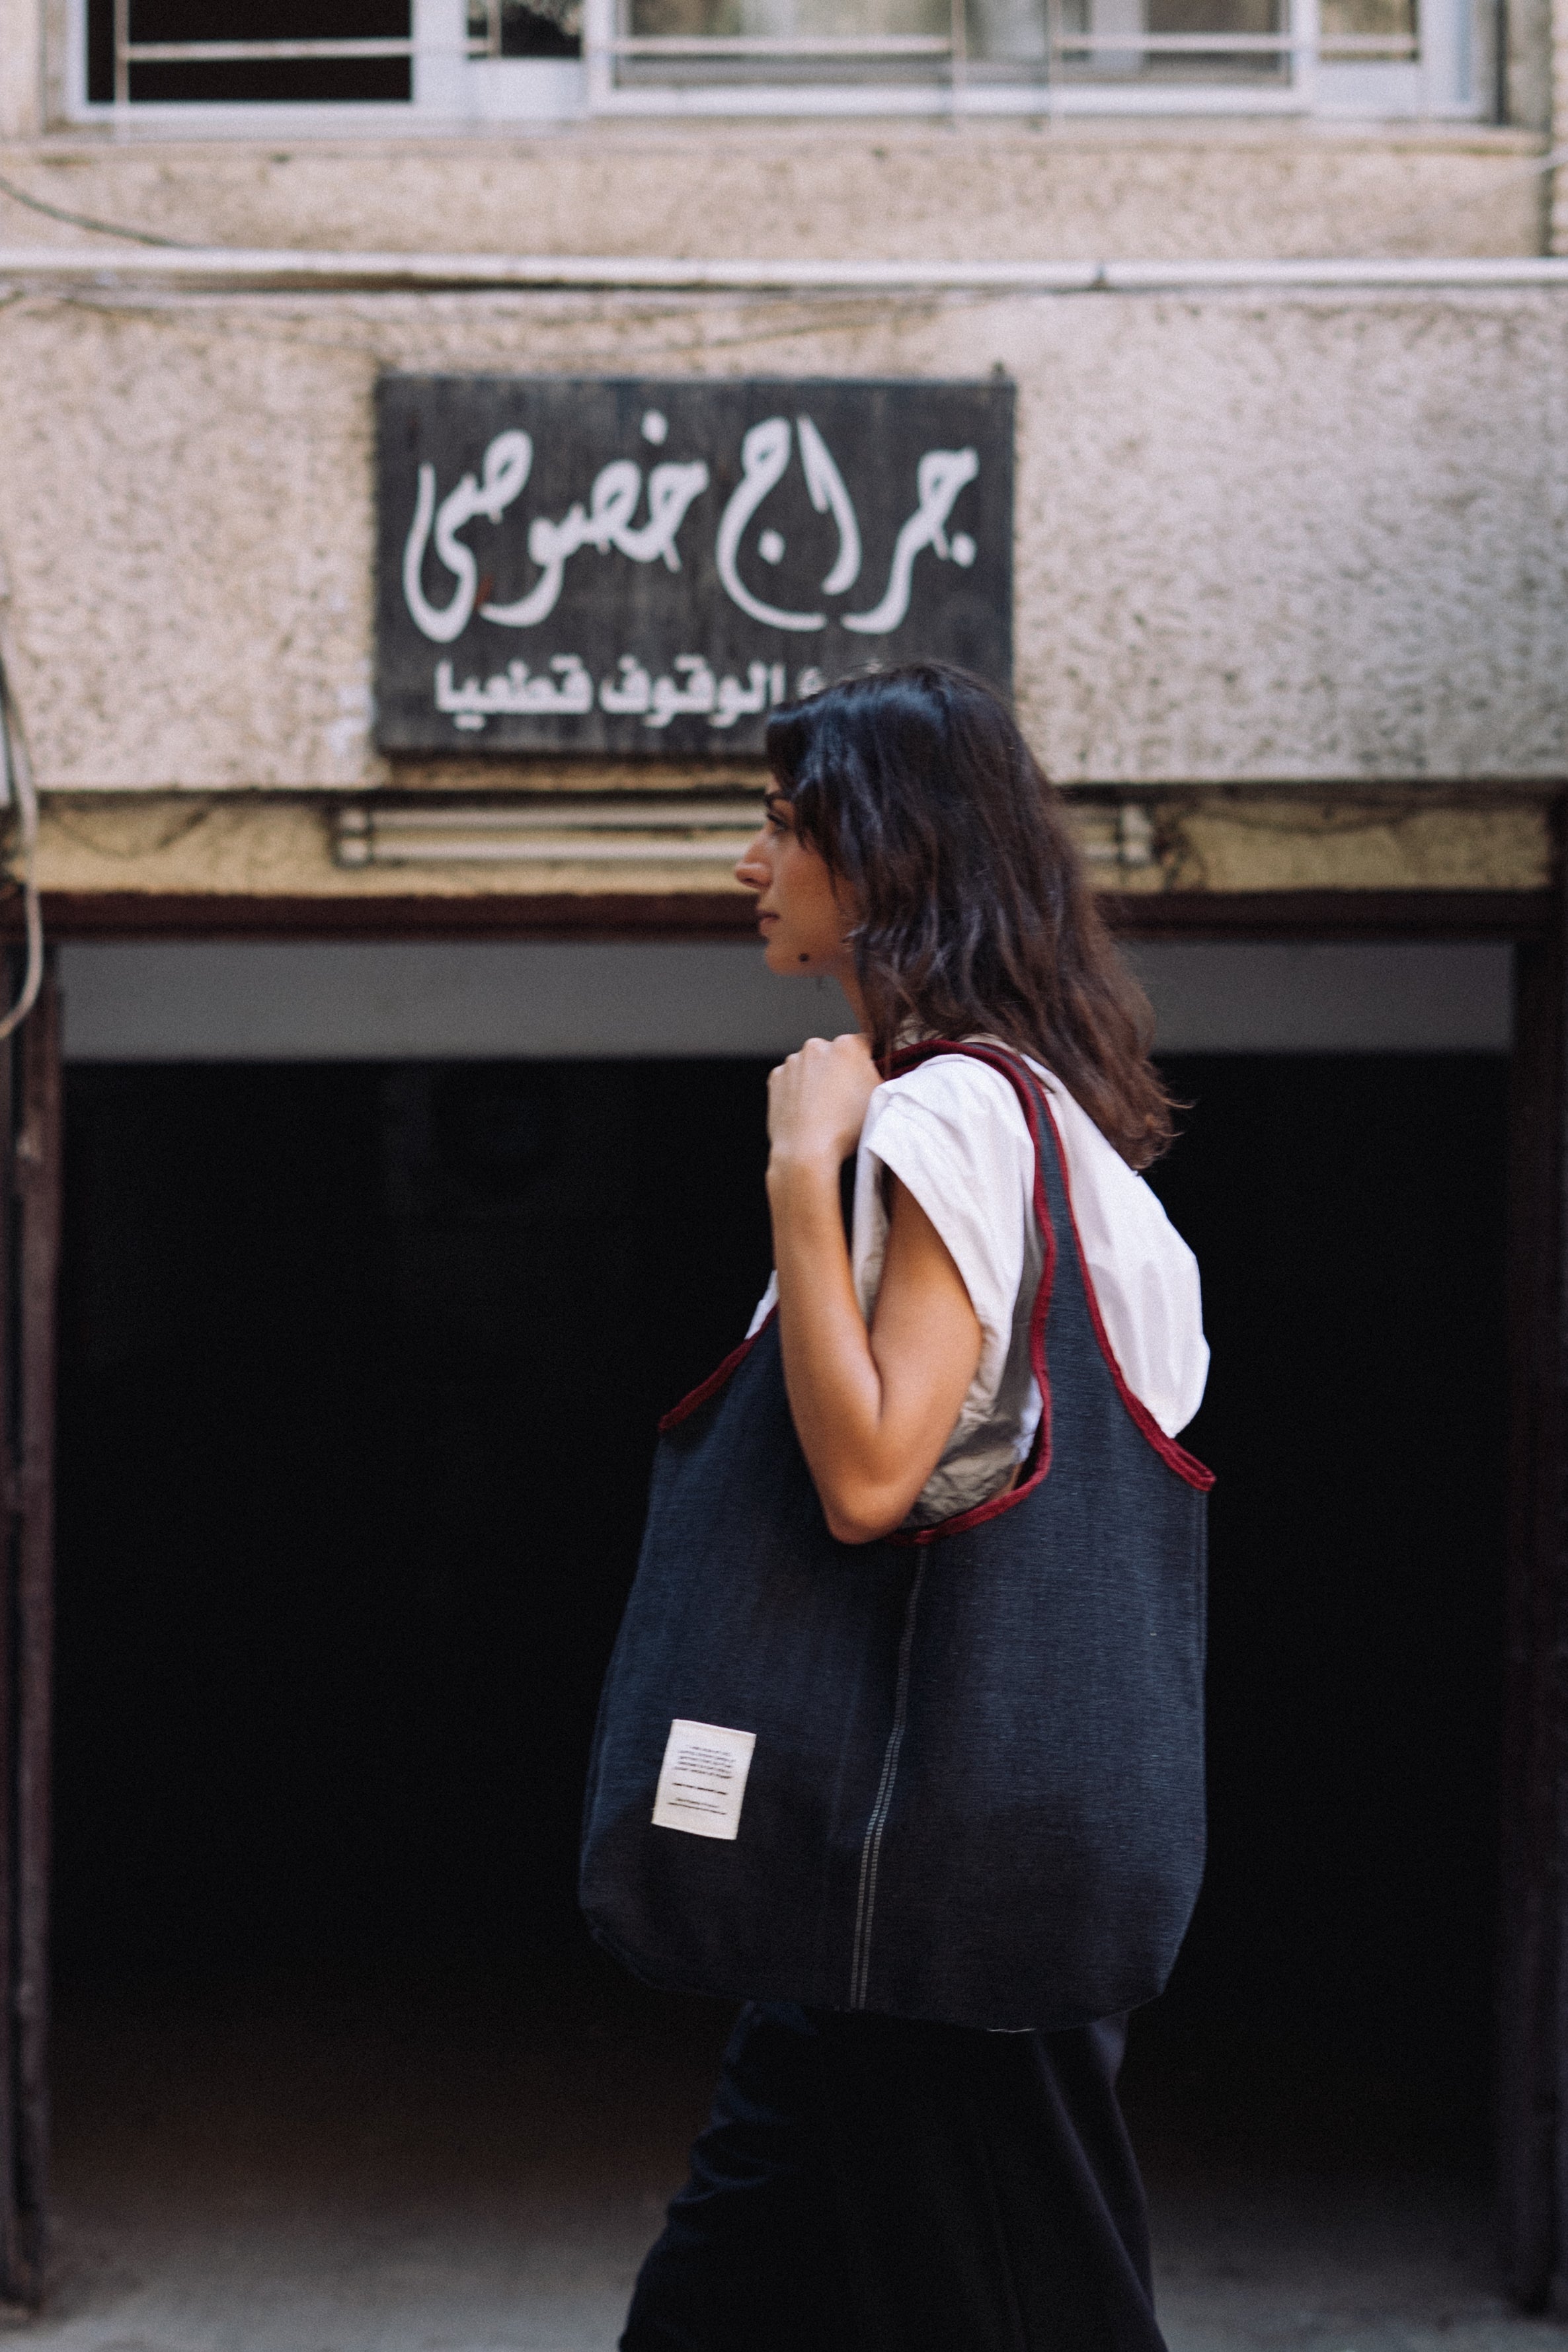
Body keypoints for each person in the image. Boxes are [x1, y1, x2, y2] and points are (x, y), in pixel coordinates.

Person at [617, 661, 1209, 2352]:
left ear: (885, 852)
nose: (749, 864)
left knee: (1025, 2308)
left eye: (782, 824)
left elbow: (872, 1474)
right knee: (724, 2292)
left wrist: (801, 1172)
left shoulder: (953, 1111)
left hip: (938, 1880)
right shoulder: (1064, 1135)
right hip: (889, 1875)